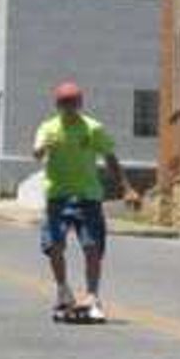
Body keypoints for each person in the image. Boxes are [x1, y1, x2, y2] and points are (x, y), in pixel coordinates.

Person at [33, 79, 130, 318]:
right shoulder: (48, 128)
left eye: (74, 103)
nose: (70, 108)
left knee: (92, 247)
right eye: (65, 103)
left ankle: (92, 296)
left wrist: (126, 187)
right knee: (53, 245)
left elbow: (110, 157)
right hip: (57, 197)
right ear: (57, 105)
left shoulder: (92, 128)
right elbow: (36, 153)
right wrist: (44, 148)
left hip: (88, 197)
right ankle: (63, 290)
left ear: (80, 104)